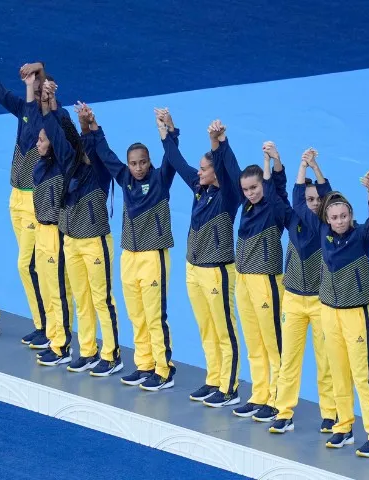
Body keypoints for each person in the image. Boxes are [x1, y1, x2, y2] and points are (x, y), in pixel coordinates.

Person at [0, 47, 69, 350]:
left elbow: (43, 96)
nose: (38, 94)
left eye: (43, 90)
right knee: (31, 265)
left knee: (27, 265)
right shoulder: (25, 112)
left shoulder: (56, 119)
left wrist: (38, 69)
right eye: (36, 90)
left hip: (36, 202)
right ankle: (43, 324)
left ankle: (49, 326)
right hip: (16, 198)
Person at [90, 104, 177, 392]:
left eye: (142, 162)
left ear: (149, 161)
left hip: (153, 256)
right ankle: (144, 364)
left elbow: (173, 158)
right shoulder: (125, 178)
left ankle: (164, 370)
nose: (138, 168)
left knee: (154, 315)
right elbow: (106, 154)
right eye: (134, 163)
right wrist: (93, 125)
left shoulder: (160, 180)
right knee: (136, 314)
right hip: (129, 255)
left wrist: (167, 128)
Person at [164, 114, 242, 407]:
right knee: (206, 327)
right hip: (193, 269)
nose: (198, 172)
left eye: (204, 168)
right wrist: (167, 131)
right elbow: (176, 160)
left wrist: (218, 141)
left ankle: (230, 386)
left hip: (217, 271)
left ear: (215, 171)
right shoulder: (199, 188)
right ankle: (214, 378)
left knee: (224, 328)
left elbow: (227, 166)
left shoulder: (229, 196)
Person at [306, 178, 369, 457]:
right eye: (334, 217)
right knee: (338, 371)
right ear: (327, 218)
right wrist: (315, 170)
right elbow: (323, 199)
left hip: (355, 313)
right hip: (328, 310)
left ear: (351, 216)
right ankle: (344, 426)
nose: (339, 221)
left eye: (344, 216)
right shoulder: (323, 232)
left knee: (361, 376)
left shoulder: (362, 235)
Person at [269, 147, 336, 434]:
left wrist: (315, 168)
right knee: (289, 359)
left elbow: (329, 195)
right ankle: (283, 411)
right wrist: (292, 166)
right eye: (308, 199)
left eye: (316, 200)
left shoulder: (327, 225)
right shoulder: (292, 218)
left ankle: (331, 413)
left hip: (322, 302)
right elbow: (280, 193)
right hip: (294, 300)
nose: (312, 203)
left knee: (326, 359)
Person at [56, 101, 121, 375]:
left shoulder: (99, 170)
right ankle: (87, 350)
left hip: (94, 240)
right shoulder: (71, 169)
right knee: (81, 297)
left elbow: (99, 149)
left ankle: (111, 354)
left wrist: (91, 125)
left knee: (101, 298)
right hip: (71, 239)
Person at [231, 141, 289, 422]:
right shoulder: (248, 207)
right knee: (253, 341)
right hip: (242, 280)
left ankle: (278, 399)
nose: (251, 193)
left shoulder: (273, 208)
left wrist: (273, 162)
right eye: (246, 189)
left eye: (254, 187)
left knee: (273, 342)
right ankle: (259, 394)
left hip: (265, 281)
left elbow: (279, 184)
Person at [22, 77, 74, 366]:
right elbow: (37, 126)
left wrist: (51, 102)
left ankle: (62, 345)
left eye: (42, 140)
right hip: (41, 230)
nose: (37, 143)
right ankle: (53, 336)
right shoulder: (40, 164)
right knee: (46, 287)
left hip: (55, 233)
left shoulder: (62, 163)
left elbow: (62, 128)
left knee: (58, 290)